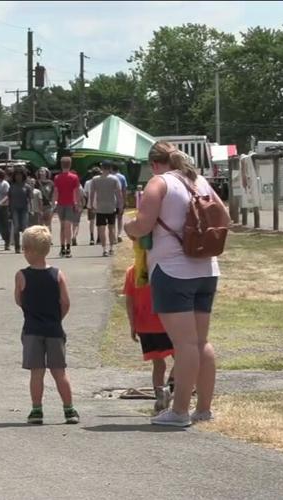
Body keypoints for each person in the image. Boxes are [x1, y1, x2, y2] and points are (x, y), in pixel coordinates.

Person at [124, 142, 229, 427]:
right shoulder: (199, 180)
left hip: (172, 270)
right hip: (207, 268)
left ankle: (179, 411)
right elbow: (225, 217)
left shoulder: (159, 183)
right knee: (200, 341)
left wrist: (127, 226)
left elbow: (143, 225)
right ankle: (203, 408)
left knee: (183, 345)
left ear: (154, 164)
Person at [14, 225, 79, 425]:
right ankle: (69, 410)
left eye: (24, 248)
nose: (23, 252)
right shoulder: (58, 274)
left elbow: (18, 300)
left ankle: (37, 410)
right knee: (59, 371)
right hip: (54, 329)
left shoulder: (22, 276)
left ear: (30, 251)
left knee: (37, 372)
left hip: (32, 329)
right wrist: (57, 318)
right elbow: (66, 302)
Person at [123, 264, 175, 413]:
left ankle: (160, 400)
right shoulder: (165, 268)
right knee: (183, 358)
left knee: (158, 365)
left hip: (144, 325)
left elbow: (129, 300)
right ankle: (169, 389)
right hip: (165, 323)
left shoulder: (132, 271)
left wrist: (132, 324)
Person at [89, 161, 124, 257]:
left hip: (100, 207)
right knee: (111, 228)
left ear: (101, 168)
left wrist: (92, 204)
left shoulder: (95, 179)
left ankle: (104, 249)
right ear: (110, 168)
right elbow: (119, 193)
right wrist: (121, 205)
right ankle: (111, 248)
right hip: (111, 206)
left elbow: (92, 193)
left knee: (101, 228)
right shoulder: (114, 179)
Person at [52, 157, 80, 258]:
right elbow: (76, 192)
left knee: (62, 226)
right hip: (70, 203)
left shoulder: (57, 177)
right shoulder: (74, 177)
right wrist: (77, 204)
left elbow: (56, 191)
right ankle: (68, 248)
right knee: (68, 226)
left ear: (61, 165)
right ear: (70, 165)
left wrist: (54, 203)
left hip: (60, 204)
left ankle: (62, 248)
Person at [8, 168, 32, 254]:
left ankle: (25, 246)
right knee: (16, 227)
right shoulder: (12, 186)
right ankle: (17, 247)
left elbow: (30, 199)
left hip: (24, 209)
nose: (18, 176)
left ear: (23, 176)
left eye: (20, 174)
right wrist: (9, 211)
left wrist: (31, 209)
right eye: (17, 175)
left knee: (25, 228)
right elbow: (9, 199)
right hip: (14, 209)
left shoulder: (27, 186)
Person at [112, 163, 128, 243]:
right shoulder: (122, 177)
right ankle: (119, 234)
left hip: (111, 201)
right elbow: (124, 190)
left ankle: (114, 235)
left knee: (112, 219)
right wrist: (125, 201)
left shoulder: (110, 177)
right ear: (118, 169)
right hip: (120, 201)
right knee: (120, 218)